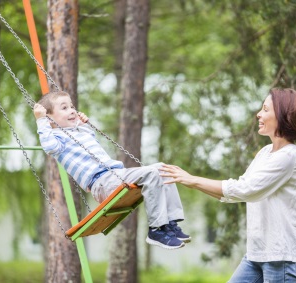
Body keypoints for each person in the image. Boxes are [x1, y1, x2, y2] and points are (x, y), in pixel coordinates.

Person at [160, 88, 296, 282]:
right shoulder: (266, 153)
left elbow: (245, 190)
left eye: (265, 109)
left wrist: (192, 180)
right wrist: (192, 183)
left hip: (281, 257)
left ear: (283, 115)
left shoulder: (290, 156)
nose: (258, 114)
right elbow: (237, 190)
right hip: (257, 254)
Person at [33, 90, 191, 250]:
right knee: (151, 174)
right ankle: (156, 230)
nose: (72, 110)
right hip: (101, 182)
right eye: (64, 108)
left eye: (72, 106)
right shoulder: (57, 138)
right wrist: (41, 121)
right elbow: (49, 146)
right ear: (49, 118)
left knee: (164, 169)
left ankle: (170, 222)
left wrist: (83, 124)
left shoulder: (78, 132)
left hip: (115, 176)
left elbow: (90, 137)